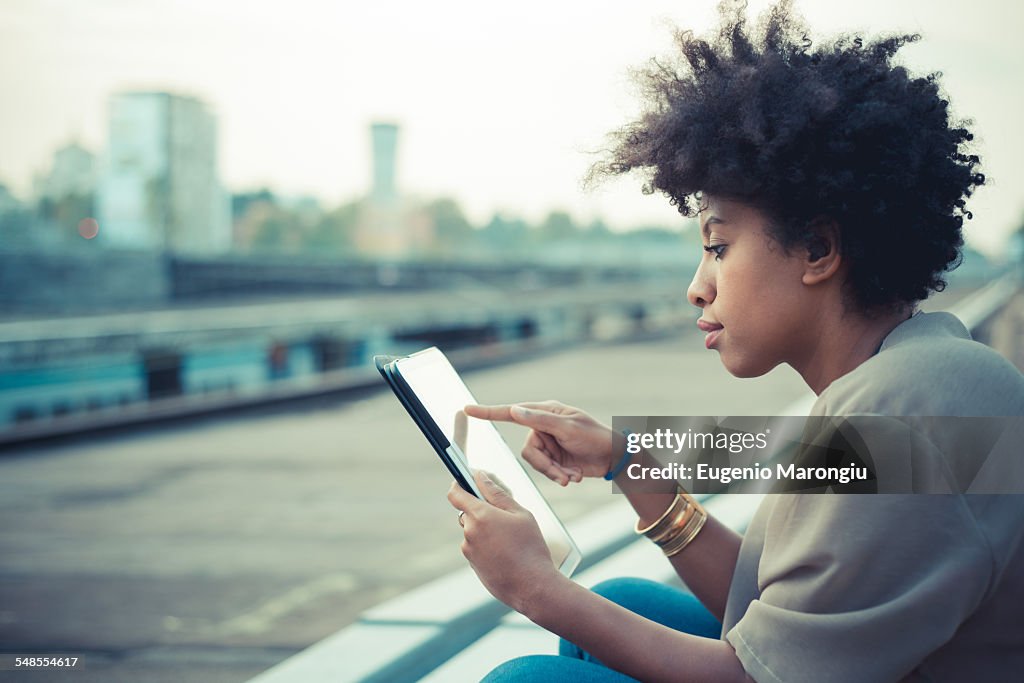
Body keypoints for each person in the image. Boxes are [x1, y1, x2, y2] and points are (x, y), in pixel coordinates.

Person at [444, 1, 1024, 681]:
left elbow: (756, 675)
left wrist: (535, 587)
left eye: (718, 246)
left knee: (525, 680)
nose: (698, 286)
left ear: (817, 247)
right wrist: (631, 463)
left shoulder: (899, 415)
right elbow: (780, 616)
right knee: (623, 603)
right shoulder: (921, 374)